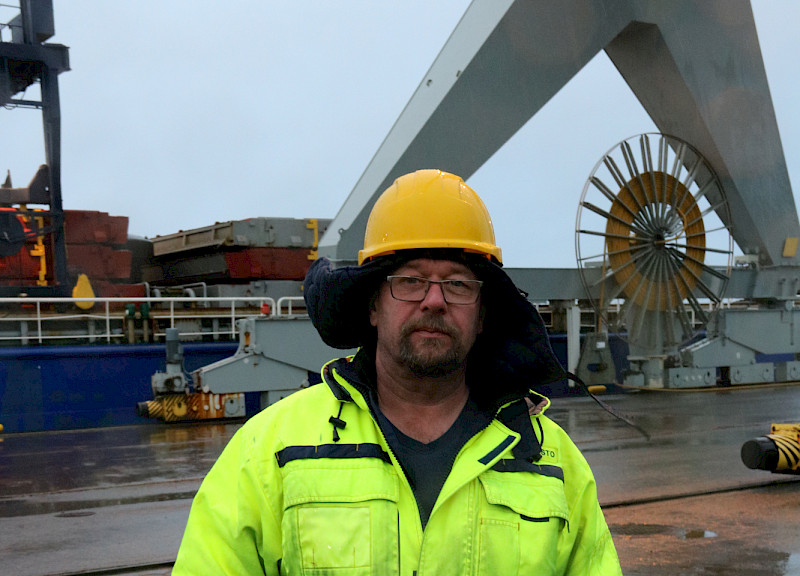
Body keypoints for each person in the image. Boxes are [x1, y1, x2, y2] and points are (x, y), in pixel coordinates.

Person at [173, 169, 622, 575]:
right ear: (373, 305)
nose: (434, 300)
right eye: (410, 281)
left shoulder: (555, 464)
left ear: (482, 314)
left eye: (457, 284)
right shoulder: (268, 453)